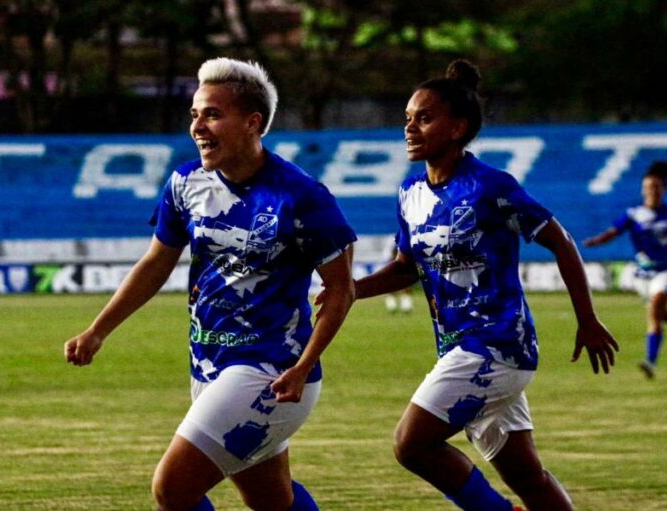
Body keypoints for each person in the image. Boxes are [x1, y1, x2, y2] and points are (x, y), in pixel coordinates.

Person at [319, 59, 619, 511]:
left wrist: (588, 319)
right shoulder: (410, 193)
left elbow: (562, 243)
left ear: (458, 127)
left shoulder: (491, 187)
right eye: (408, 118)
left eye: (424, 118)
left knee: (411, 444)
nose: (410, 128)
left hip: (497, 344)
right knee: (527, 476)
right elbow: (405, 268)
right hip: (459, 348)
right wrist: (351, 290)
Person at [64, 57, 356, 511]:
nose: (198, 127)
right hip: (208, 362)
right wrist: (98, 330)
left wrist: (304, 365)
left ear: (253, 123)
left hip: (271, 371)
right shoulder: (186, 183)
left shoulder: (301, 196)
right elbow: (156, 262)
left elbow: (340, 288)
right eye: (195, 115)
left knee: (173, 488)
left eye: (212, 114)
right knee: (272, 501)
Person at [583, 160, 667, 379]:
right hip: (643, 275)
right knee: (662, 314)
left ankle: (650, 362)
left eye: (656, 187)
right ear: (643, 189)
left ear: (664, 189)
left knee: (654, 310)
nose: (652, 191)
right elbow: (614, 231)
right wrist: (596, 241)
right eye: (648, 187)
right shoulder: (634, 214)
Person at [383, 233, 414, 313]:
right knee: (391, 283)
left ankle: (406, 303)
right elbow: (388, 255)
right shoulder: (392, 239)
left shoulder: (409, 237)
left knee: (407, 282)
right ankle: (391, 303)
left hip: (406, 262)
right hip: (393, 262)